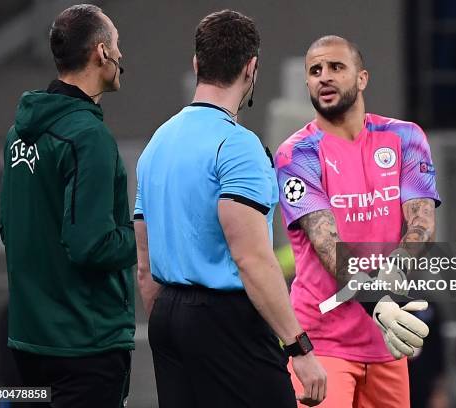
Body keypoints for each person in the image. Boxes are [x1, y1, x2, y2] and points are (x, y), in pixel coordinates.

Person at [134, 10, 326, 408]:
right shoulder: (238, 145)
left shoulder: (158, 143)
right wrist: (299, 348)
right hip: (225, 320)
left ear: (196, 64)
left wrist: (171, 324)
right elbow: (252, 258)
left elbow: (144, 261)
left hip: (167, 317)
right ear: (251, 68)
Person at [275, 35, 441, 408]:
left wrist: (398, 267)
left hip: (387, 340)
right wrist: (378, 299)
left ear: (362, 78)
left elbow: (422, 223)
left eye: (336, 67)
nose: (324, 77)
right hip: (323, 344)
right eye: (315, 71)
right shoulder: (295, 153)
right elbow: (326, 243)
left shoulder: (405, 137)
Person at [0, 4, 135, 407]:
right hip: (84, 347)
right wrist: (145, 234)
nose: (122, 55)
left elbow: (11, 229)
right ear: (101, 52)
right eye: (117, 45)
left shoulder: (15, 136)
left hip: (29, 343)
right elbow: (91, 244)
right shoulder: (88, 136)